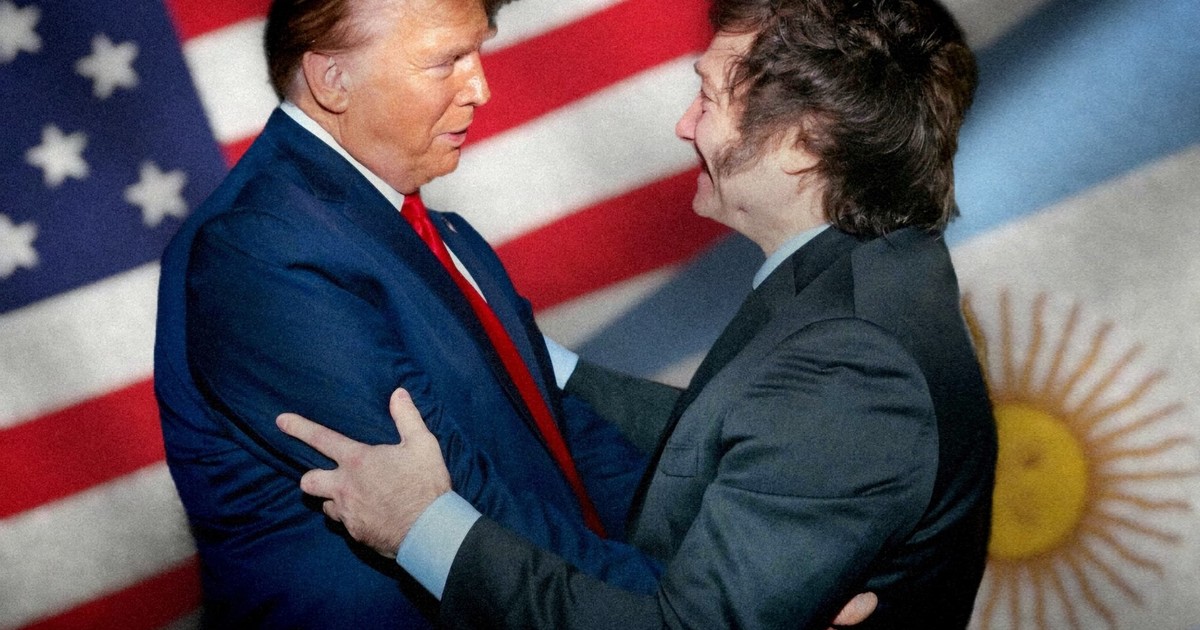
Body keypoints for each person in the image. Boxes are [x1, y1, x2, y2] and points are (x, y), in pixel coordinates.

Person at [277, 0, 998, 627]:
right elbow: (732, 435)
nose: (685, 126)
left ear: (804, 143)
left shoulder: (853, 359)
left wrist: (420, 527)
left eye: (708, 99)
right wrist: (530, 360)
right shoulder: (868, 277)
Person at [153, 0, 670, 625]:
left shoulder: (439, 233)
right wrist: (669, 609)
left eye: (478, 52)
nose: (480, 88)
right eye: (446, 61)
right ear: (332, 80)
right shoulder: (259, 247)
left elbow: (567, 435)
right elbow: (458, 501)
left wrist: (702, 574)